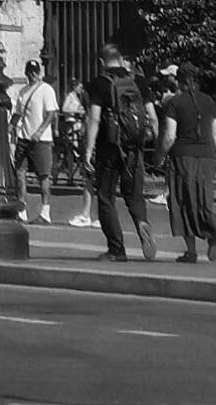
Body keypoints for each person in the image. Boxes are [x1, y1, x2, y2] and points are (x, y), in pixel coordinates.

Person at [82, 48, 160, 262]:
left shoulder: (99, 83)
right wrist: (153, 144)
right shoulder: (139, 82)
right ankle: (142, 222)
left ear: (102, 61)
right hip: (134, 148)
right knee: (134, 195)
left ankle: (116, 249)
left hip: (109, 148)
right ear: (122, 60)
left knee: (106, 197)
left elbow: (94, 119)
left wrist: (88, 152)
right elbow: (152, 117)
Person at [163, 59, 216, 262]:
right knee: (204, 200)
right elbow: (214, 134)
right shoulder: (209, 101)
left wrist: (160, 156)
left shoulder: (174, 103)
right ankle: (211, 235)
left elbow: (169, 136)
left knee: (182, 201)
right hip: (207, 156)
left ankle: (191, 251)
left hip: (183, 156)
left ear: (180, 81)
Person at [15, 57, 58, 221]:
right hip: (24, 137)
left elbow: (51, 114)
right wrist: (11, 126)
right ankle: (21, 210)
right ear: (26, 73)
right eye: (30, 72)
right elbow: (18, 113)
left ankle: (45, 212)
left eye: (35, 71)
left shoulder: (46, 90)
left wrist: (40, 131)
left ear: (39, 72)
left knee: (43, 175)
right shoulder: (23, 91)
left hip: (41, 139)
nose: (32, 74)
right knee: (20, 173)